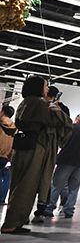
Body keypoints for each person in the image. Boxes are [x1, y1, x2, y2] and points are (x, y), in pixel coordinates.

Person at [1, 75, 72, 234]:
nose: (47, 89)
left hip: (24, 147)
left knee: (19, 184)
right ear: (38, 87)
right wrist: (57, 111)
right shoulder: (39, 103)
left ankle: (15, 221)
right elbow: (55, 122)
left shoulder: (26, 102)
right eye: (45, 85)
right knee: (27, 185)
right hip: (35, 148)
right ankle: (11, 224)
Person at [44, 110, 80, 218]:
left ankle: (49, 208)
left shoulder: (73, 127)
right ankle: (69, 210)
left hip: (67, 159)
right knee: (74, 188)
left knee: (56, 185)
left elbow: (63, 141)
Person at [0, 105, 17, 206]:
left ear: (3, 112)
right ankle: (2, 199)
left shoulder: (1, 123)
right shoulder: (13, 127)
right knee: (5, 177)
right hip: (7, 156)